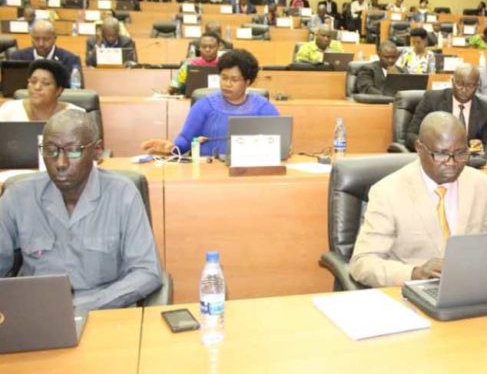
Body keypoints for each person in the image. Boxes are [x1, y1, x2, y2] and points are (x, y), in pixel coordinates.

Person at [0, 110, 162, 311]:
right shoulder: (18, 197)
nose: (60, 163)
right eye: (51, 150)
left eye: (74, 151)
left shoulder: (123, 195)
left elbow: (147, 272)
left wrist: (81, 306)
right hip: (37, 312)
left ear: (96, 151)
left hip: (106, 311)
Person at [350, 111, 487, 287]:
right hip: (411, 293)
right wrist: (414, 273)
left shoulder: (482, 185)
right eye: (441, 154)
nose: (451, 163)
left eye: (460, 153)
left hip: (468, 288)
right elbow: (362, 263)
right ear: (420, 148)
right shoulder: (387, 192)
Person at [142, 49, 279, 156]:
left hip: (250, 173)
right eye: (224, 78)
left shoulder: (263, 108)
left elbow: (279, 143)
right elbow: (185, 140)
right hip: (208, 171)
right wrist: (171, 148)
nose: (227, 84)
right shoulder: (204, 105)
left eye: (234, 79)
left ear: (248, 82)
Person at [406, 64, 487, 152]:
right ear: (452, 81)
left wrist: (480, 147)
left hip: (468, 160)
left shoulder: (485, 110)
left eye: (470, 86)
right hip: (435, 158)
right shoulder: (432, 100)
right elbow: (411, 135)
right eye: (459, 84)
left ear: (477, 86)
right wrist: (433, 149)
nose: (464, 90)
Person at [0, 59, 83, 121]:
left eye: (46, 83)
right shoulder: (8, 110)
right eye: (33, 81)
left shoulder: (76, 115)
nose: (37, 87)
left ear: (59, 90)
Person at [10, 20, 83, 76]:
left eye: (46, 39)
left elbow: (76, 91)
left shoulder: (70, 60)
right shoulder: (18, 57)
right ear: (31, 38)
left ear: (55, 39)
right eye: (36, 39)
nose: (41, 44)